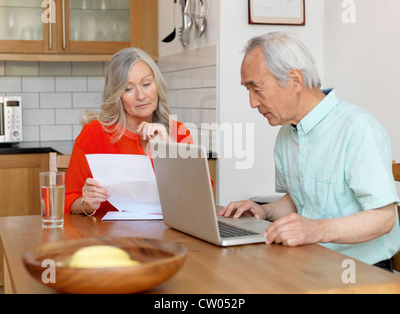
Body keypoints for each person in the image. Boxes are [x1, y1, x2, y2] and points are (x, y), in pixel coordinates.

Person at [219, 32, 400, 271]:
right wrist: (263, 211)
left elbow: (384, 218)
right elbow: (298, 200)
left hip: (360, 270)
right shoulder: (286, 133)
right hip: (310, 262)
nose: (252, 102)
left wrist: (317, 229)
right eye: (248, 91)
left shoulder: (357, 128)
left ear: (294, 80)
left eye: (257, 89)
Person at [65, 47, 193, 215]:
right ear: (117, 95)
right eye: (128, 89)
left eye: (146, 84)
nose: (141, 95)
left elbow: (197, 197)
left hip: (166, 235)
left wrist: (170, 149)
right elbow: (68, 199)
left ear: (157, 85)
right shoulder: (94, 134)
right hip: (108, 235)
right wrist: (86, 203)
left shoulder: (179, 132)